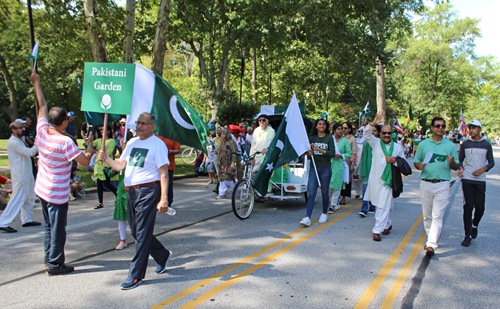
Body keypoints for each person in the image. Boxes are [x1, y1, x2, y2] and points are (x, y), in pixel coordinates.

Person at [31, 70, 94, 275]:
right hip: (57, 192)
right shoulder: (64, 141)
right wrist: (90, 147)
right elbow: (84, 162)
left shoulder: (41, 131)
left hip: (42, 188)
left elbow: (41, 105)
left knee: (49, 227)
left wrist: (36, 83)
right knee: (58, 229)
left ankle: (49, 258)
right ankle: (55, 264)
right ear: (65, 122)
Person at [99, 112, 171, 290]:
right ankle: (162, 255)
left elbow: (164, 173)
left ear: (152, 126)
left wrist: (164, 198)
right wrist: (107, 159)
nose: (139, 126)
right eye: (138, 123)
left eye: (143, 124)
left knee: (143, 233)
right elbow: (121, 166)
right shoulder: (132, 142)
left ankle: (135, 275)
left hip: (148, 191)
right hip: (130, 192)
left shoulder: (158, 145)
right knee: (137, 232)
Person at [414, 117, 459, 257]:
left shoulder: (450, 146)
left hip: (443, 183)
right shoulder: (423, 144)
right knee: (427, 215)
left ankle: (431, 244)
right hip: (426, 183)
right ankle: (430, 239)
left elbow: (457, 166)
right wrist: (419, 166)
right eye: (438, 125)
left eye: (443, 126)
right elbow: (416, 162)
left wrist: (452, 163)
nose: (441, 128)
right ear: (432, 128)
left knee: (437, 215)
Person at [364, 112, 406, 241]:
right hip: (376, 180)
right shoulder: (375, 142)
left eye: (389, 133)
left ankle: (377, 230)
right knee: (380, 203)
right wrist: (373, 122)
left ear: (392, 134)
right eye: (384, 133)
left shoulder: (398, 147)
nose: (387, 135)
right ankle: (387, 224)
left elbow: (403, 163)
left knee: (383, 204)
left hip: (389, 181)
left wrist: (395, 161)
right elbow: (366, 133)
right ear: (380, 134)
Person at [458, 120, 495, 247]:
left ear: (479, 129)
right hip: (467, 179)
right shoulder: (465, 144)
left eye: (474, 128)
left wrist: (483, 169)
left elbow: (491, 162)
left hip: (480, 180)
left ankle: (475, 225)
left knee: (480, 208)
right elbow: (460, 160)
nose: (471, 130)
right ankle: (467, 235)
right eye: (470, 128)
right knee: (468, 207)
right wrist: (461, 168)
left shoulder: (486, 145)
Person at [0, 121, 40, 233]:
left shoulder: (19, 140)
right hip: (21, 174)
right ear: (13, 130)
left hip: (26, 173)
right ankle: (3, 222)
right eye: (20, 127)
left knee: (30, 197)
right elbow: (29, 152)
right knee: (18, 198)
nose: (23, 129)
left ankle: (26, 219)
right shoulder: (14, 142)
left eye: (23, 127)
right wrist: (38, 143)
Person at [300, 118, 335, 226]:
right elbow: (308, 156)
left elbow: (332, 154)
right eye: (319, 124)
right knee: (312, 193)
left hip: (325, 168)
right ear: (316, 126)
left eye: (323, 124)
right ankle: (307, 217)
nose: (321, 126)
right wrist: (310, 153)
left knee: (324, 193)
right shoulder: (311, 138)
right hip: (313, 169)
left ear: (326, 127)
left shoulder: (329, 138)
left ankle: (324, 213)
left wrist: (318, 149)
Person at [356, 124, 382, 217]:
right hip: (367, 169)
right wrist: (359, 170)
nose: (372, 132)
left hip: (376, 170)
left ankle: (373, 206)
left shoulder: (379, 142)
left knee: (375, 189)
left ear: (378, 133)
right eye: (371, 130)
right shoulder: (366, 142)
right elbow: (363, 156)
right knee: (365, 189)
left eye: (374, 131)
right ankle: (364, 209)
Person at [328, 123, 352, 214]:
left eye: (341, 129)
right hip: (329, 164)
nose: (341, 131)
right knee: (329, 185)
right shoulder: (330, 139)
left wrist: (341, 155)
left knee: (337, 185)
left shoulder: (345, 141)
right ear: (334, 130)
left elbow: (349, 153)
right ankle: (332, 201)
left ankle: (332, 205)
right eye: (338, 129)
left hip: (339, 165)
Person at [93, 125, 117, 209]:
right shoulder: (98, 140)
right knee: (99, 183)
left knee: (107, 183)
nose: (102, 131)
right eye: (100, 130)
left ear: (108, 131)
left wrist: (99, 150)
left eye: (103, 129)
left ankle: (117, 195)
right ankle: (100, 202)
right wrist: (88, 139)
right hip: (98, 164)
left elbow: (108, 152)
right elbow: (89, 145)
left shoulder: (111, 141)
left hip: (106, 164)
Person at [155, 135, 181, 207]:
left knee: (168, 185)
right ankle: (157, 202)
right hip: (156, 166)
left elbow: (178, 150)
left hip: (169, 165)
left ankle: (168, 202)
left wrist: (168, 151)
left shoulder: (173, 137)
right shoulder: (156, 136)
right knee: (156, 185)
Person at [216, 128, 238, 199]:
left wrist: (233, 163)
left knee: (228, 178)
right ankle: (222, 193)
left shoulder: (231, 142)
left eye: (223, 134)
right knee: (221, 178)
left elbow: (234, 153)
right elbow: (221, 151)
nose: (222, 135)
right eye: (222, 134)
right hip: (221, 164)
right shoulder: (223, 143)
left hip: (228, 163)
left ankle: (235, 190)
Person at [340, 122, 356, 205]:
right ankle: (337, 196)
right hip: (339, 161)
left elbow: (354, 152)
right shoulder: (339, 138)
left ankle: (344, 197)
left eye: (345, 128)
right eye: (342, 128)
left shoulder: (352, 139)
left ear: (349, 129)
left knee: (346, 179)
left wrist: (353, 164)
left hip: (348, 162)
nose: (343, 129)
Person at [353, 126, 365, 198]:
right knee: (355, 178)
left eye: (362, 131)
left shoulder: (367, 141)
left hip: (362, 160)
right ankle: (357, 192)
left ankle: (362, 193)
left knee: (361, 178)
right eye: (359, 131)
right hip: (355, 160)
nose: (360, 133)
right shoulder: (356, 140)